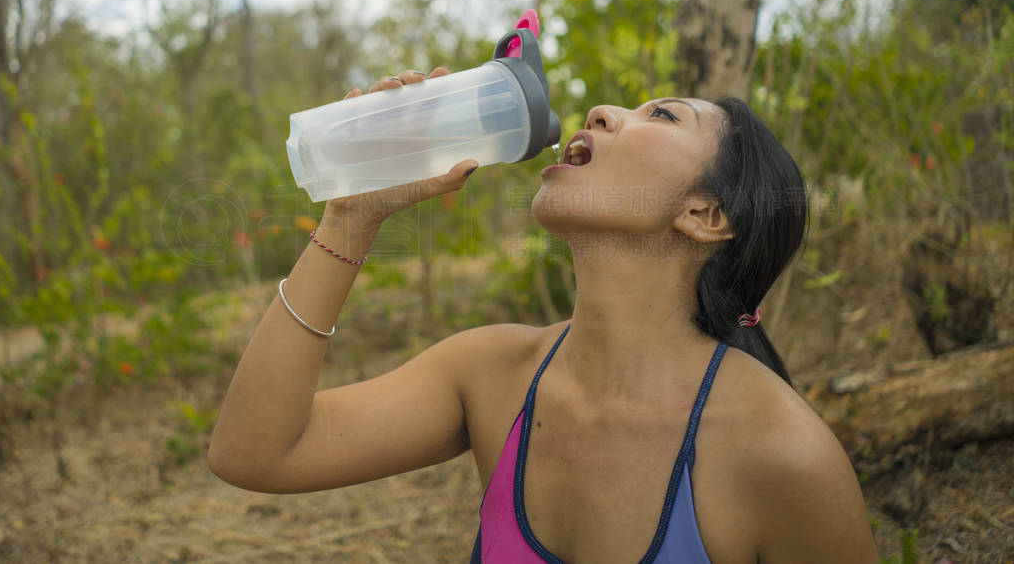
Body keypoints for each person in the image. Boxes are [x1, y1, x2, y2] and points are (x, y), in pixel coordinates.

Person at [209, 68, 880, 562]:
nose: (601, 110)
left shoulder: (781, 454)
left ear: (705, 215)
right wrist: (351, 218)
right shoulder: (491, 375)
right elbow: (255, 452)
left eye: (664, 116)